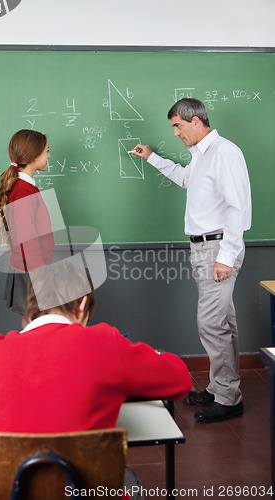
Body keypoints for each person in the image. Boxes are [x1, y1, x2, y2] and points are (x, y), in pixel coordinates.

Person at [0, 259, 192, 500]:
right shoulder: (106, 345)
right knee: (127, 481)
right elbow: (180, 379)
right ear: (82, 304)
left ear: (31, 305)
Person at [131, 98, 252, 423]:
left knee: (211, 324)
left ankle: (228, 398)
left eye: (178, 126)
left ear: (196, 121)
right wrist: (153, 158)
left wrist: (226, 256)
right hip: (204, 249)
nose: (175, 133)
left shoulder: (224, 153)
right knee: (223, 322)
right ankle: (220, 388)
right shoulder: (201, 156)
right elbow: (187, 179)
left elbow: (236, 208)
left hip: (218, 249)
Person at [0, 129, 54, 320]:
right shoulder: (23, 191)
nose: (49, 155)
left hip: (34, 269)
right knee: (36, 324)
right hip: (32, 271)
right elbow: (27, 240)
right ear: (34, 155)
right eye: (46, 151)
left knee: (38, 324)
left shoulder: (26, 187)